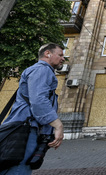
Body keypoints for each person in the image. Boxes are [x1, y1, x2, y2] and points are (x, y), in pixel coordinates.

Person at [0, 43, 65, 175]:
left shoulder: (36, 70)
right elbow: (38, 100)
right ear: (48, 54)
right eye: (60, 55)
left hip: (22, 127)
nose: (63, 58)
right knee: (18, 169)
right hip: (26, 129)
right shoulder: (42, 70)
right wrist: (58, 125)